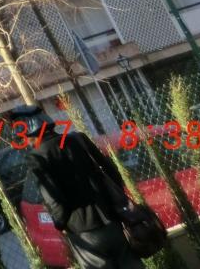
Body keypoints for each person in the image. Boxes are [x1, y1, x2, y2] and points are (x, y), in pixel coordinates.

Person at [10, 104, 144, 269]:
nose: (25, 142)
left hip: (83, 232)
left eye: (23, 138)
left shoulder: (37, 158)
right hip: (111, 221)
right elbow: (112, 173)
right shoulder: (78, 139)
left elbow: (54, 201)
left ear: (29, 134)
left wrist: (60, 224)